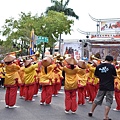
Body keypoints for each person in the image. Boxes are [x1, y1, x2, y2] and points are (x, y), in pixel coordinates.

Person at [88, 55, 117, 120]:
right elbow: (115, 76)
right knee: (109, 101)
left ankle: (91, 111)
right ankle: (105, 116)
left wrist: (102, 77)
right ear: (111, 61)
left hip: (101, 85)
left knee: (97, 99)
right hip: (110, 86)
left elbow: (96, 75)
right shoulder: (112, 67)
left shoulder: (99, 66)